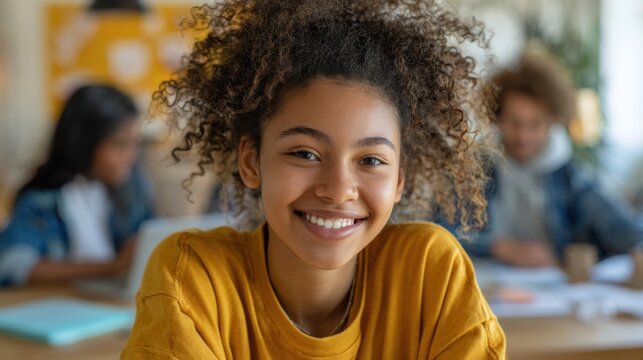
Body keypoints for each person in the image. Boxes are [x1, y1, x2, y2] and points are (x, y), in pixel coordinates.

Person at [123, 1, 505, 358]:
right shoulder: (193, 278)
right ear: (251, 161)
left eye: (371, 159)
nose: (338, 190)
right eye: (305, 154)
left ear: (400, 178)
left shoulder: (429, 271)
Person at [454, 52, 643, 267]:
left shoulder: (569, 177)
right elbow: (441, 233)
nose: (523, 135)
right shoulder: (474, 170)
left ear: (552, 121)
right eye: (514, 122)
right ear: (496, 118)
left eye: (535, 125)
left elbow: (622, 226)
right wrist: (500, 247)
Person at [0, 85, 154, 286]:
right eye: (119, 145)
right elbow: (13, 265)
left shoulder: (133, 187)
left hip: (116, 303)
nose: (131, 156)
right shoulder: (42, 199)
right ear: (85, 143)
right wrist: (114, 267)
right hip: (64, 305)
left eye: (135, 144)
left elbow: (151, 236)